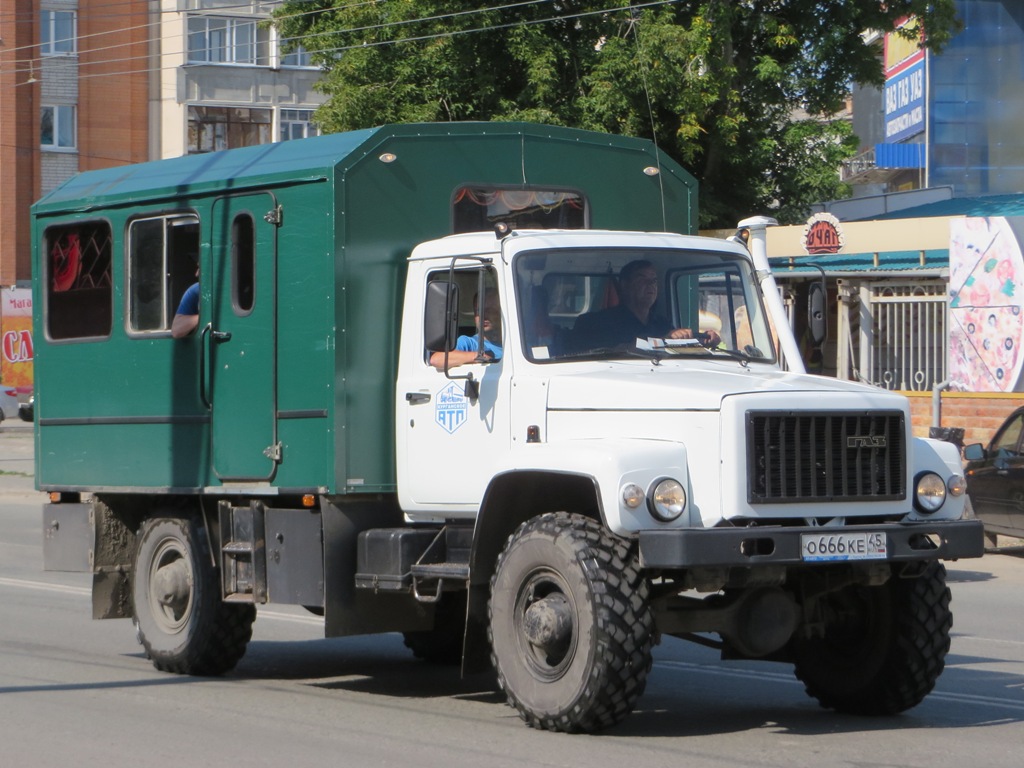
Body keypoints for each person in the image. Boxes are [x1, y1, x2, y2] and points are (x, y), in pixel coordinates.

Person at [571, 260, 720, 350]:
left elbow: (676, 351)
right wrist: (662, 340)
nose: (650, 285)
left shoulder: (662, 324)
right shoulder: (597, 322)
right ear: (624, 285)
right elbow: (612, 352)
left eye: (654, 280)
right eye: (642, 279)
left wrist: (702, 342)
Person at [429, 289, 502, 369]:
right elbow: (436, 359)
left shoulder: (514, 343)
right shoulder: (468, 343)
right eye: (478, 311)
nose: (483, 316)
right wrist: (479, 356)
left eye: (490, 310)